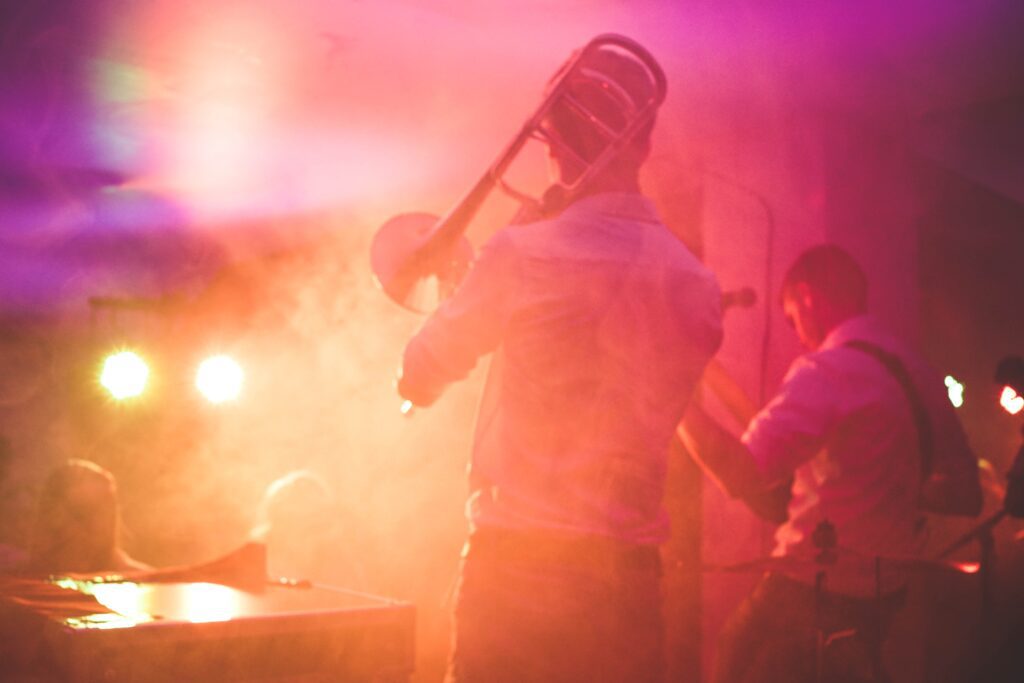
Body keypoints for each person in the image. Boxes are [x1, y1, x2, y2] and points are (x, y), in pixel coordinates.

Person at [396, 39, 723, 683]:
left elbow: (419, 371)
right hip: (627, 583)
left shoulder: (520, 255)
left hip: (516, 569)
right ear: (646, 146)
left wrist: (502, 255)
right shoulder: (699, 287)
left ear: (550, 143)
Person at [679, 244, 982, 683]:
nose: (798, 334)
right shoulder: (922, 375)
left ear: (807, 297)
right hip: (885, 595)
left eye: (792, 318)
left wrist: (670, 396)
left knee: (733, 658)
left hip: (808, 590)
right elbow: (966, 495)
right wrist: (884, 486)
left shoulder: (826, 371)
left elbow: (739, 474)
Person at [24, 458, 149, 575]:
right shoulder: (16, 584)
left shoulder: (142, 585)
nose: (98, 524)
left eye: (106, 510)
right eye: (81, 512)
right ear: (51, 516)